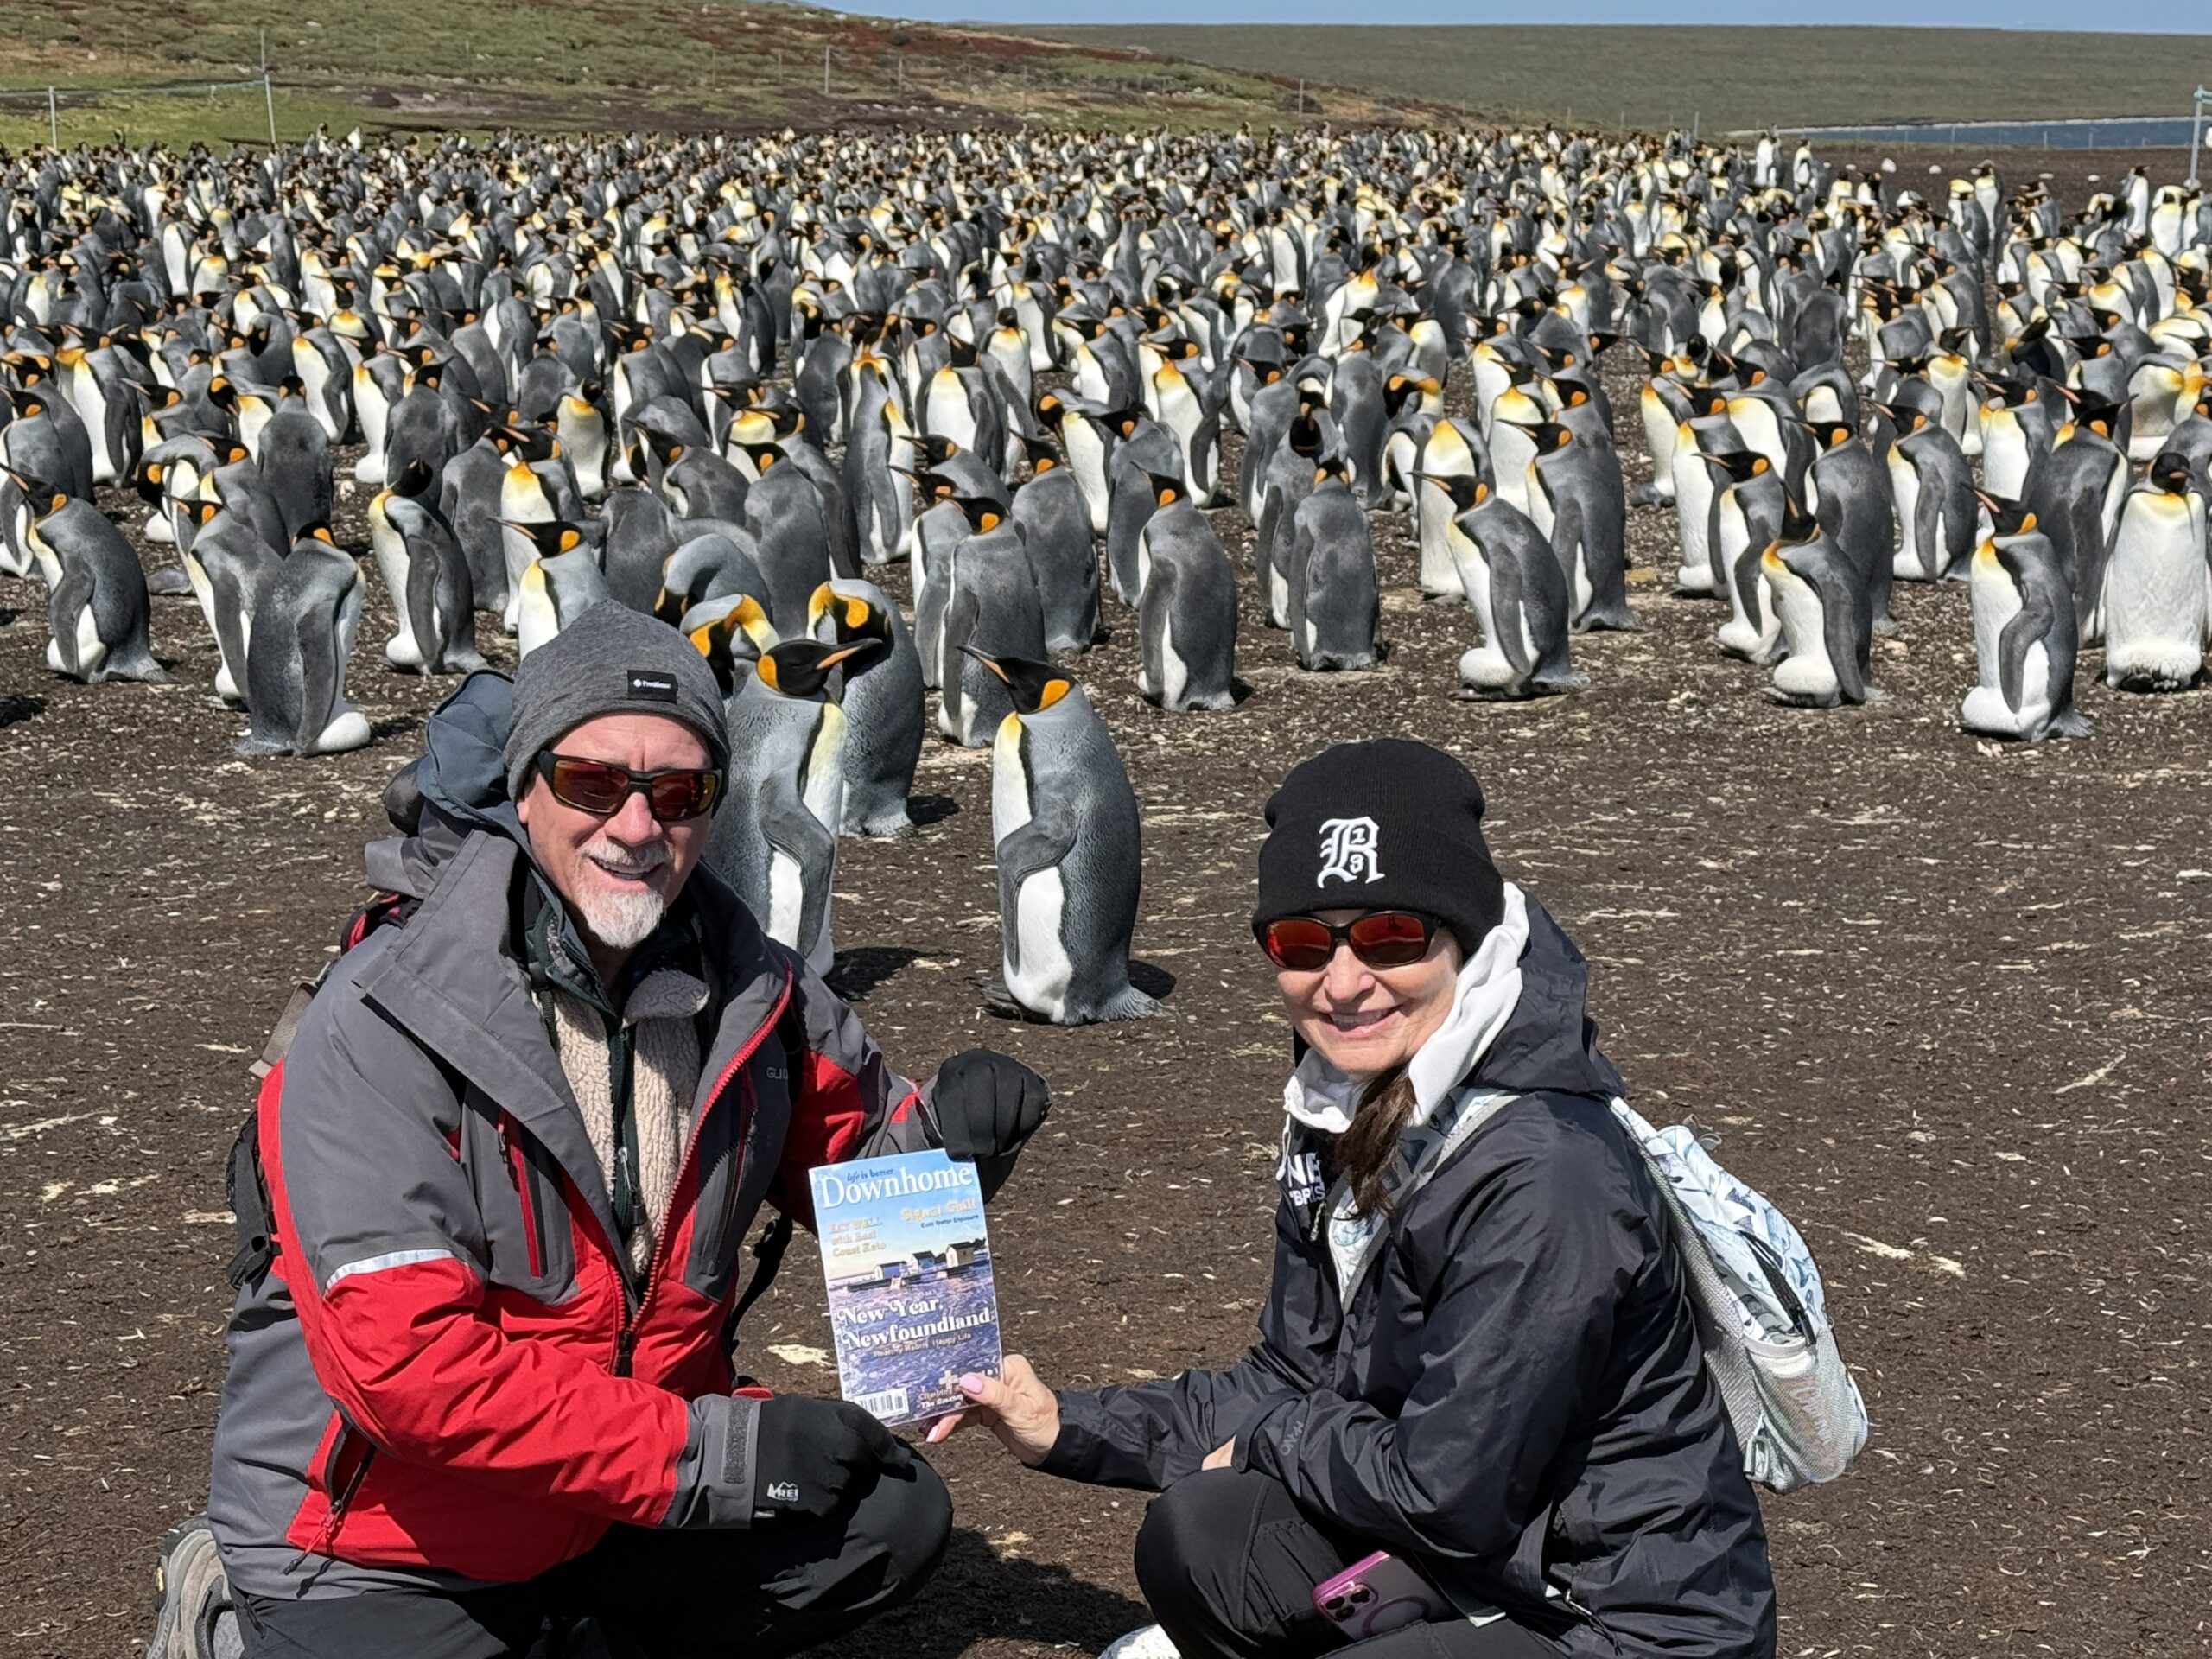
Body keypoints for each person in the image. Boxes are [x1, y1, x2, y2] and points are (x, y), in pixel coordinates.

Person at [156, 604, 1050, 1659]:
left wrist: (948, 1142)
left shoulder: (749, 985)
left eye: (678, 793)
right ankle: (226, 1608)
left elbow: (852, 1168)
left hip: (625, 1493)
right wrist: (716, 1450)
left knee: (884, 1516)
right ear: (524, 789)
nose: (636, 827)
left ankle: (566, 1627)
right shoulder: (388, 1017)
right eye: (593, 783)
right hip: (387, 1532)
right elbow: (408, 1373)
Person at [933, 738, 1776, 1659]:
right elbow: (1291, 1381)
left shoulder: (1545, 1171)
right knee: (1205, 1534)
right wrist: (1065, 1428)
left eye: (1390, 936)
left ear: (1463, 935)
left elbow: (1445, 1494)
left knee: (1249, 1495)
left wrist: (1272, 1442)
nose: (1340, 983)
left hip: (1616, 1619)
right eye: (1301, 943)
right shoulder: (1345, 1107)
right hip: (1479, 1569)